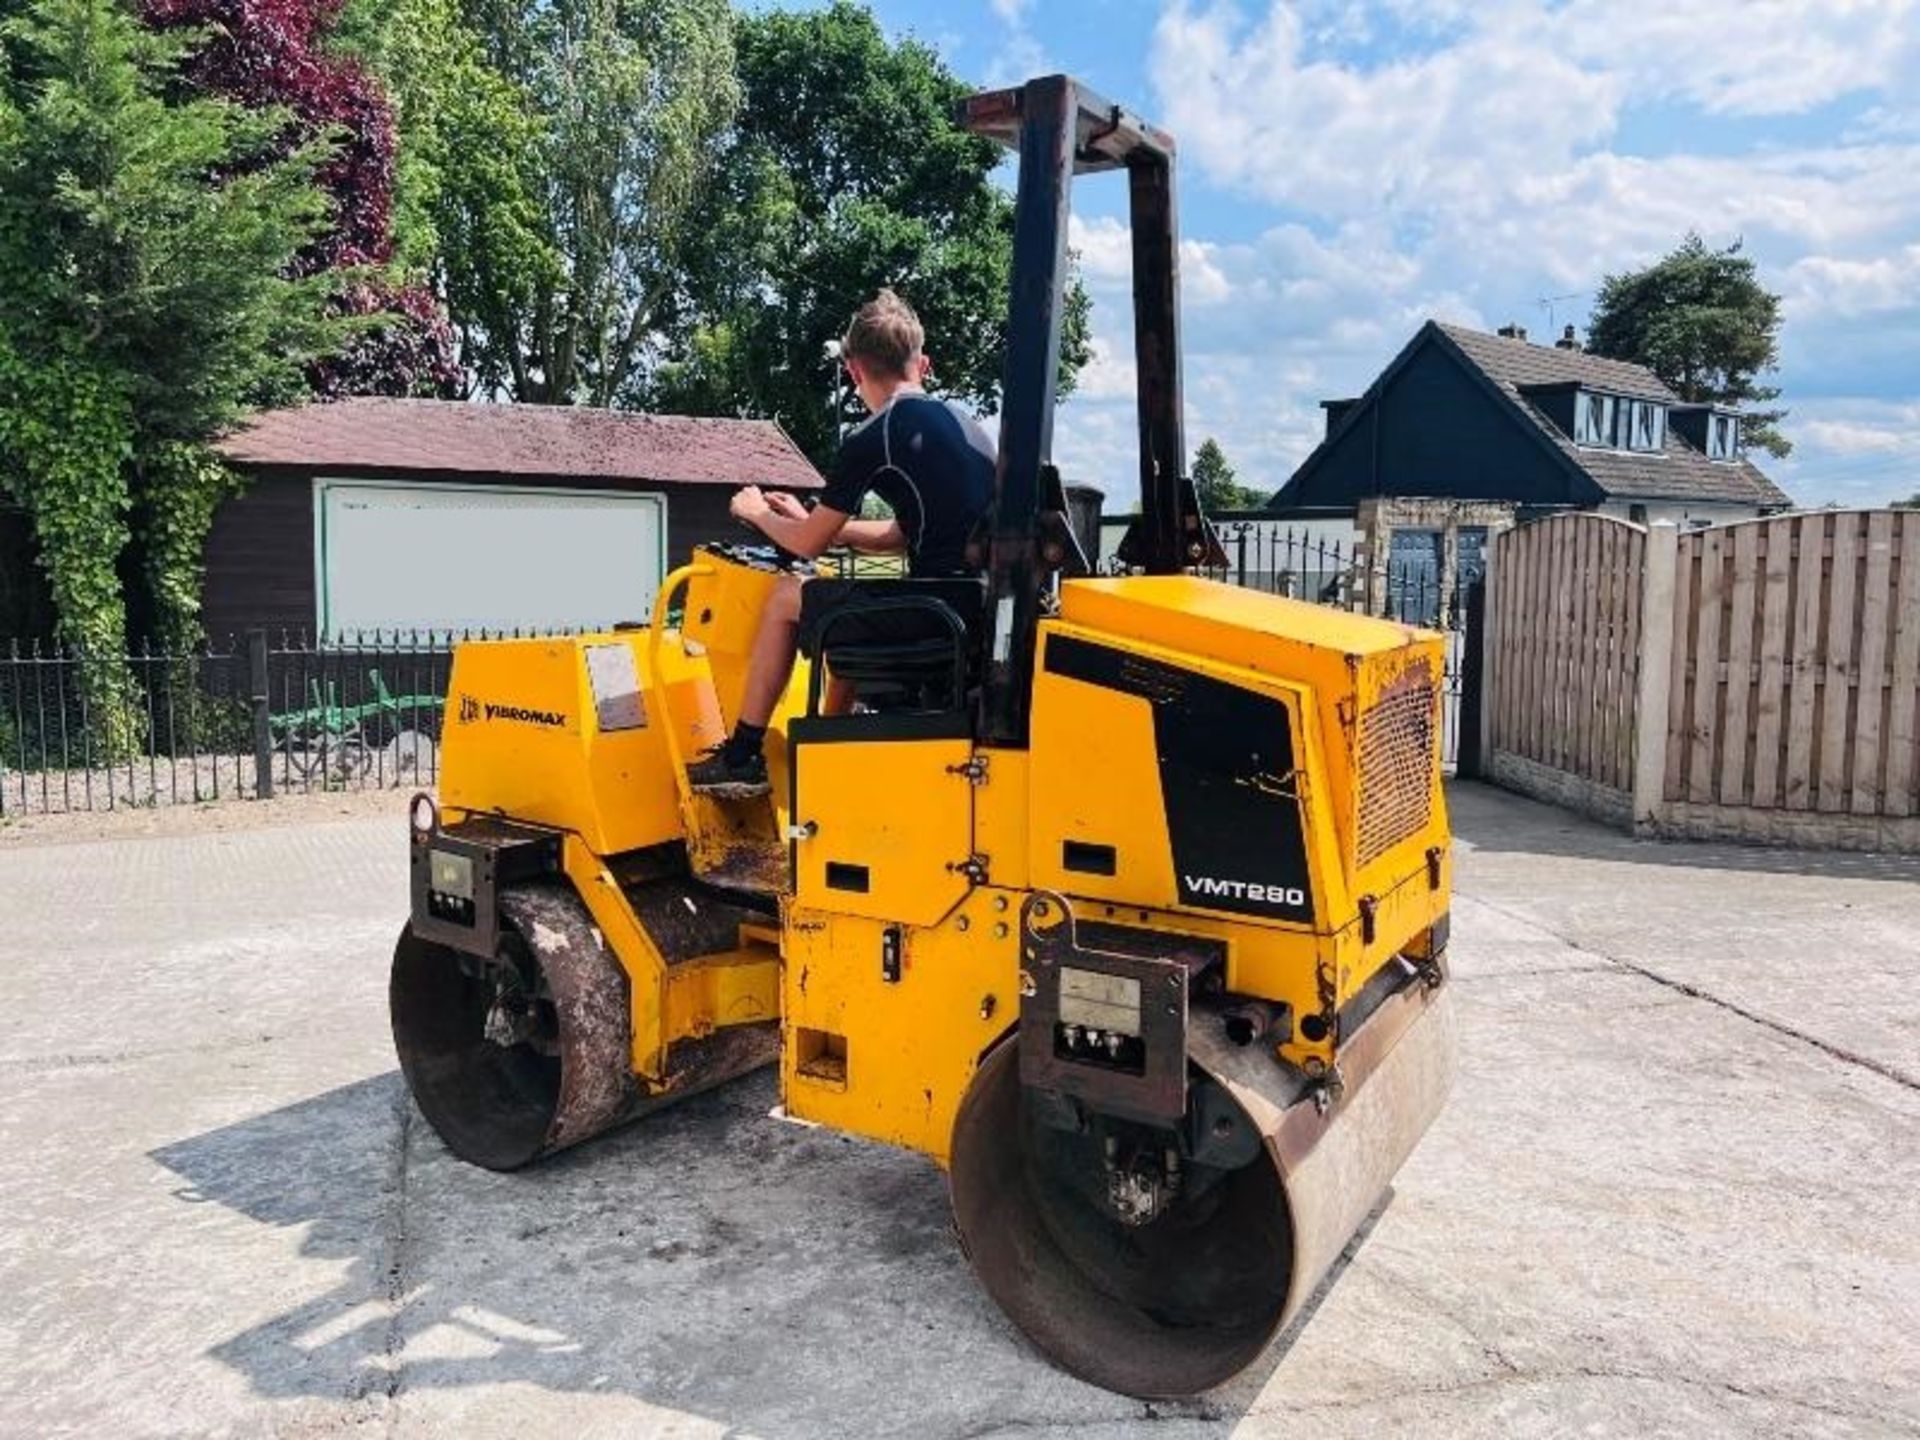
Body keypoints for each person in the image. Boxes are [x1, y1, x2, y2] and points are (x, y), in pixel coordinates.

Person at [686, 289, 996, 794]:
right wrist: (820, 523)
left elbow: (804, 547)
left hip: (935, 613)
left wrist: (758, 513)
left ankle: (743, 755)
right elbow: (900, 535)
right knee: (835, 595)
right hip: (972, 607)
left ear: (854, 372)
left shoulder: (877, 435)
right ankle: (829, 745)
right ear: (923, 363)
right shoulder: (969, 428)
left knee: (789, 593)